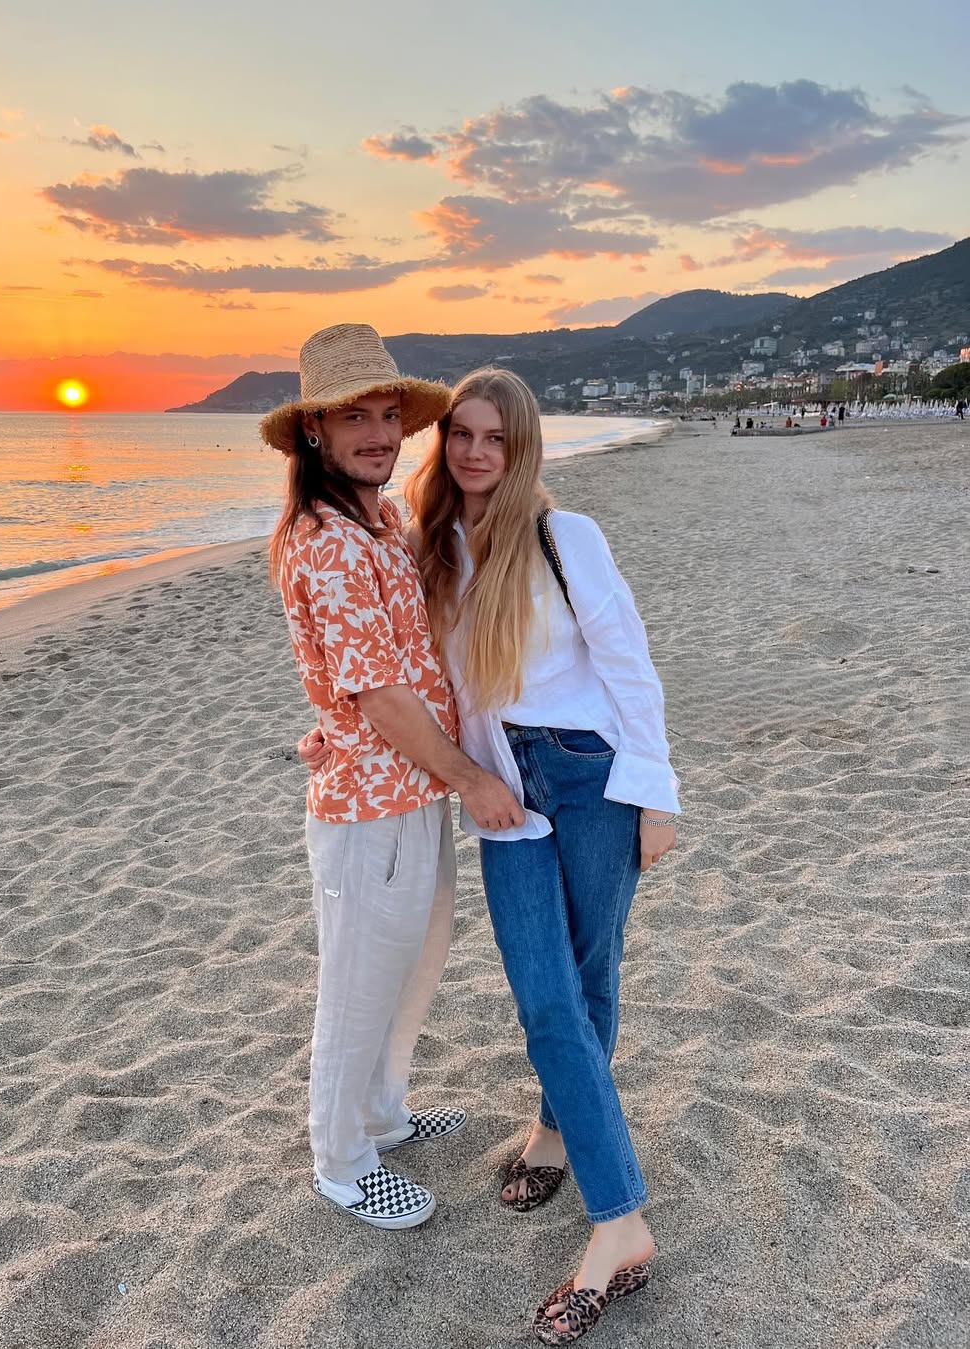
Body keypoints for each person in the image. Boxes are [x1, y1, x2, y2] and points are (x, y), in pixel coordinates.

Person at [304, 368, 679, 1343]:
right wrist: (336, 730)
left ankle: (564, 1144)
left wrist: (656, 794)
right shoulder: (423, 545)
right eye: (462, 433)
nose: (475, 452)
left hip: (591, 775)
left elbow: (629, 662)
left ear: (523, 449)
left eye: (497, 438)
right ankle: (620, 1216)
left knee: (589, 976)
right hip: (502, 783)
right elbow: (396, 668)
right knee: (545, 996)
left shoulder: (564, 535)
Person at [266, 325, 525, 1231]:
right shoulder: (330, 540)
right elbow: (377, 692)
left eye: (387, 415)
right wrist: (473, 779)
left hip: (410, 793)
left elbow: (367, 664)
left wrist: (332, 720)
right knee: (358, 987)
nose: (379, 434)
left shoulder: (377, 522)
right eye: (355, 418)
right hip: (371, 807)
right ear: (314, 430)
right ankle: (341, 1161)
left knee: (412, 965)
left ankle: (382, 1111)